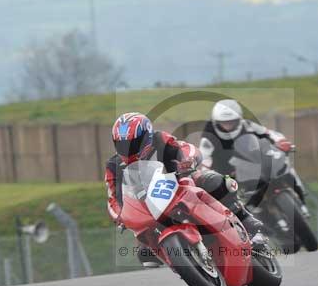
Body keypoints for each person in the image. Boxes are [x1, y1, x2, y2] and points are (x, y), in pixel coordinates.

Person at [105, 112, 266, 267]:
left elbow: (186, 148)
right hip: (148, 207)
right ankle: (181, 262)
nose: (128, 149)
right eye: (122, 145)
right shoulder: (113, 166)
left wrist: (187, 161)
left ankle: (247, 221)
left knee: (214, 182)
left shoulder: (160, 140)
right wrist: (120, 215)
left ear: (147, 136)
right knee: (145, 254)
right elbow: (113, 197)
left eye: (133, 143)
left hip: (180, 184)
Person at [199, 99, 308, 204]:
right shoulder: (208, 137)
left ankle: (300, 191)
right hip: (226, 173)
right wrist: (208, 175)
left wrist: (281, 142)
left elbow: (269, 133)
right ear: (215, 122)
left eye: (231, 122)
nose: (227, 126)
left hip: (250, 164)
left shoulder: (247, 125)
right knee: (232, 204)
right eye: (224, 123)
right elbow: (204, 159)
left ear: (239, 120)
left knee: (283, 162)